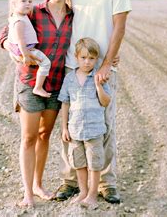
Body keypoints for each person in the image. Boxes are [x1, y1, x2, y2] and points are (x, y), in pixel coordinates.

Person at [55, 0, 132, 204]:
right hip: (73, 67)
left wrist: (108, 63)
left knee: (105, 126)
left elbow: (119, 27)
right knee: (71, 126)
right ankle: (71, 180)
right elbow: (48, 8)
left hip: (101, 68)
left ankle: (106, 183)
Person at [0, 0, 73, 208]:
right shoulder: (35, 12)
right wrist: (9, 47)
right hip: (30, 81)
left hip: (56, 84)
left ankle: (39, 185)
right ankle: (27, 193)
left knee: (44, 135)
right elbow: (6, 30)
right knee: (29, 137)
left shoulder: (75, 16)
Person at [58, 37, 111, 210]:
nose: (87, 62)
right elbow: (65, 103)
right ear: (76, 57)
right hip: (75, 130)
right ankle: (83, 191)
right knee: (79, 162)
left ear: (96, 59)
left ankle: (93, 194)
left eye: (91, 58)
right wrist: (64, 127)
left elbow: (105, 102)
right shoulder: (70, 78)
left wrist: (98, 86)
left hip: (94, 129)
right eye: (83, 58)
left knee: (94, 164)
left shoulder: (98, 77)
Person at [7, 0, 51, 98]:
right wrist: (26, 55)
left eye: (30, 1)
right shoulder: (20, 21)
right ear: (14, 4)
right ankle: (38, 87)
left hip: (23, 49)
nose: (28, 3)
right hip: (26, 49)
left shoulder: (19, 16)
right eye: (23, 1)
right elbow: (20, 40)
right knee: (46, 63)